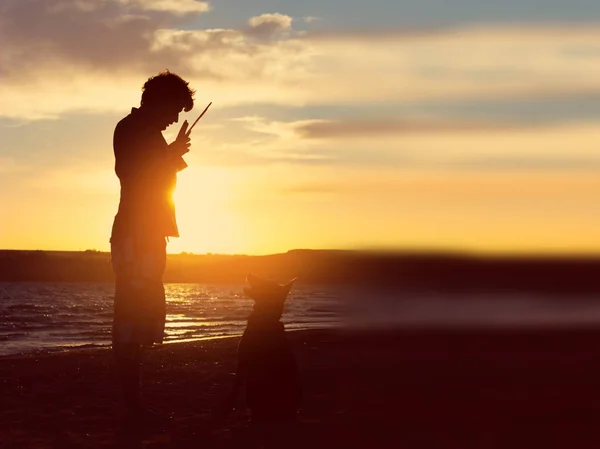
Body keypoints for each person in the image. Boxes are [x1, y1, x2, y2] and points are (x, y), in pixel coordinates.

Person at [109, 70, 195, 426]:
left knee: (142, 318)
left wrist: (172, 154)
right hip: (134, 234)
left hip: (147, 233)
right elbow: (132, 175)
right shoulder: (130, 129)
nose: (175, 118)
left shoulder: (150, 135)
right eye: (174, 108)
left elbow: (153, 177)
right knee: (131, 318)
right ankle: (130, 406)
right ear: (155, 100)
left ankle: (134, 403)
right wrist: (171, 153)